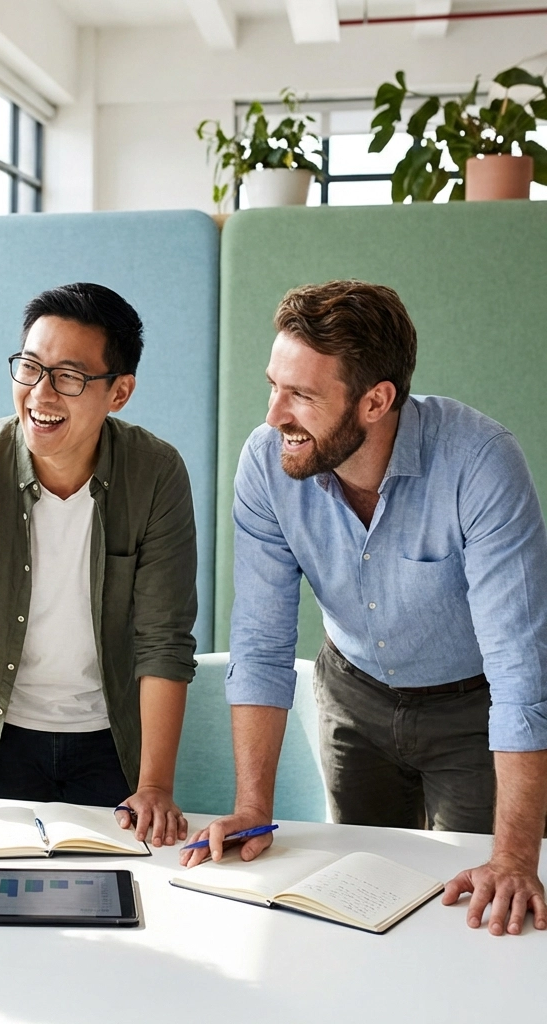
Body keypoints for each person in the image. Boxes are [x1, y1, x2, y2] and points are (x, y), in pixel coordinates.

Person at [181, 280, 547, 937]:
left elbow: (522, 669)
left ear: (377, 400)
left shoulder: (480, 463)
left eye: (301, 396)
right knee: (361, 897)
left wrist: (517, 857)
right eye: (274, 386)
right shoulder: (269, 464)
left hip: (474, 707)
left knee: (476, 908)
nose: (273, 416)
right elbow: (261, 646)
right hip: (355, 697)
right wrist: (250, 807)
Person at [0, 283, 197, 849]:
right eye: (30, 368)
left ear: (120, 392)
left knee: (121, 894)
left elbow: (164, 638)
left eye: (68, 376)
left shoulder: (156, 473)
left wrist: (155, 783)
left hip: (112, 742)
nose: (41, 393)